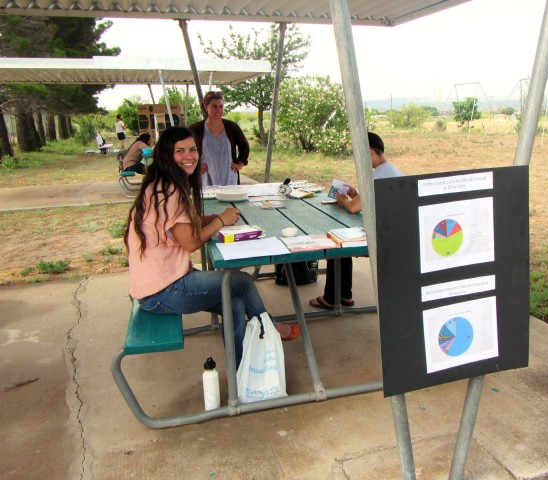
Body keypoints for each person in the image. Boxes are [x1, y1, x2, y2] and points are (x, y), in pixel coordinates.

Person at [124, 127, 298, 367]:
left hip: (159, 284)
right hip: (162, 291)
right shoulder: (170, 191)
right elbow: (191, 242)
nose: (189, 156)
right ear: (166, 154)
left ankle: (237, 371)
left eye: (193, 150)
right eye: (180, 151)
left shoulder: (162, 184)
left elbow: (183, 225)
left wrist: (213, 217)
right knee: (242, 282)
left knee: (234, 302)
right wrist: (220, 221)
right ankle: (268, 326)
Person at [310, 132, 403, 310]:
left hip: (384, 236)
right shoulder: (391, 169)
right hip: (394, 230)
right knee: (342, 236)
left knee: (336, 238)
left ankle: (331, 297)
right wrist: (355, 196)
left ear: (370, 151)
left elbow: (353, 208)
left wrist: (344, 200)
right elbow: (372, 200)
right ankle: (344, 294)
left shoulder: (378, 175)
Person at [189, 91, 249, 187]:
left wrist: (240, 163)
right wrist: (195, 167)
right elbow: (187, 151)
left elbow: (244, 146)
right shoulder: (195, 129)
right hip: (205, 180)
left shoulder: (232, 127)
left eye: (221, 106)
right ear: (205, 107)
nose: (218, 110)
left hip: (229, 179)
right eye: (214, 106)